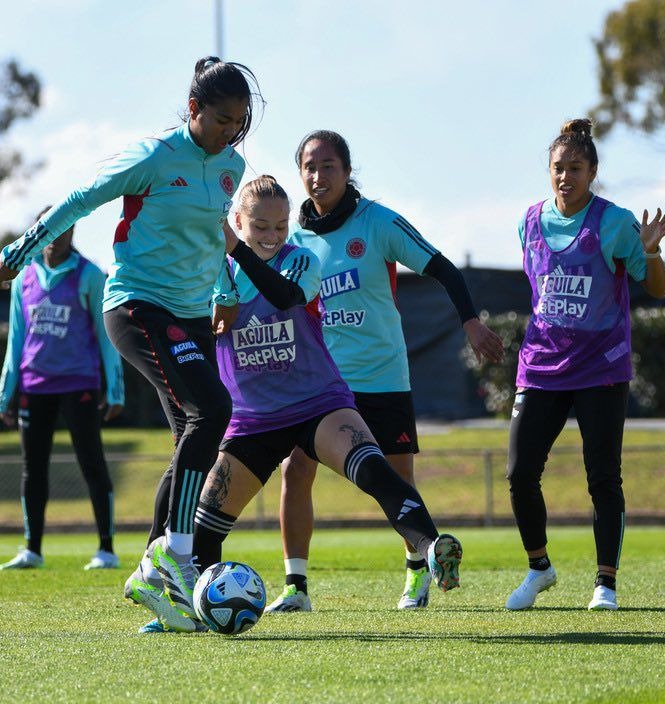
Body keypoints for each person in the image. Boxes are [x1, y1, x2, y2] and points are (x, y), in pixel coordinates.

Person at [0, 57, 262, 631]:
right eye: (220, 120)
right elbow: (81, 198)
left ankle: (152, 576)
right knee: (213, 410)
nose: (230, 132)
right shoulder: (153, 157)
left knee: (193, 435)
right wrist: (18, 252)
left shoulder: (233, 167)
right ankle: (178, 554)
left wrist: (226, 290)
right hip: (138, 303)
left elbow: (214, 236)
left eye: (239, 123)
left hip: (190, 316)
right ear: (193, 109)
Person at [180, 175, 461, 634]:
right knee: (203, 530)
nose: (272, 236)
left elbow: (284, 295)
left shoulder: (301, 261)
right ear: (236, 222)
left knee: (373, 469)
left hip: (317, 404)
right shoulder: (212, 272)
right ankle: (197, 612)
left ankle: (431, 550)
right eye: (260, 226)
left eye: (280, 226)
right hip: (252, 421)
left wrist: (236, 251)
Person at [265, 131, 504, 613]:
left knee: (397, 480)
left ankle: (417, 571)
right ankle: (296, 587)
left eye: (328, 165)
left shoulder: (379, 223)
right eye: (309, 167)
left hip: (382, 376)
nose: (318, 175)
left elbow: (442, 268)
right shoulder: (293, 242)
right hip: (320, 384)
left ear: (348, 170)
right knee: (296, 471)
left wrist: (471, 322)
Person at [504, 119, 665, 612]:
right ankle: (539, 569)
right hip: (540, 368)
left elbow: (657, 288)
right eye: (558, 168)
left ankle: (605, 583)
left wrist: (652, 251)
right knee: (519, 473)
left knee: (602, 476)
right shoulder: (528, 222)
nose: (565, 177)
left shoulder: (616, 223)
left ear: (592, 172)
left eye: (575, 168)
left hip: (601, 368)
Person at [0, 210, 125, 572]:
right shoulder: (24, 277)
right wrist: (6, 392)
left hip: (79, 385)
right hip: (35, 386)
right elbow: (16, 337)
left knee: (92, 465)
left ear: (73, 230)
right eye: (47, 228)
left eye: (62, 227)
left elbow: (107, 336)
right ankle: (31, 549)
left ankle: (106, 549)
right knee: (32, 469)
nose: (54, 235)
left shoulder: (90, 275)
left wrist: (115, 391)